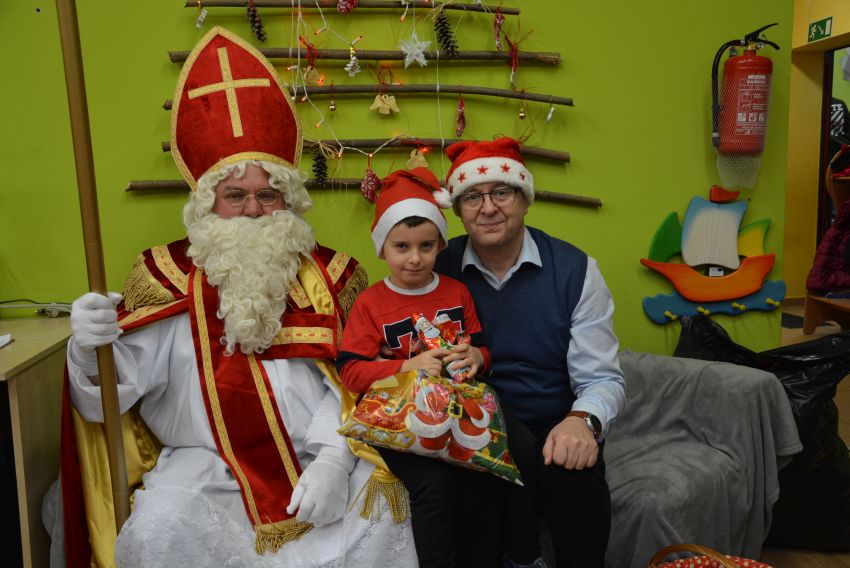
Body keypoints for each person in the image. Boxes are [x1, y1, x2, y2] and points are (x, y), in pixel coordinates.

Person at [61, 27, 415, 568]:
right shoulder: (163, 276)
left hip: (323, 458)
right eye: (235, 195)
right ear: (207, 203)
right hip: (205, 469)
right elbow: (109, 399)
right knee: (158, 531)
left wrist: (334, 459)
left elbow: (362, 381)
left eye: (267, 194)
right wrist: (89, 349)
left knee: (388, 510)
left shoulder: (333, 277)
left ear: (288, 201)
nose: (252, 210)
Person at [434, 137, 627, 568]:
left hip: (554, 425)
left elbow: (603, 378)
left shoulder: (576, 270)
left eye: (501, 192)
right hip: (471, 430)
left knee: (576, 480)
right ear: (457, 209)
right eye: (472, 197)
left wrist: (582, 421)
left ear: (525, 199)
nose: (488, 208)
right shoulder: (437, 268)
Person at [336, 167, 508, 567]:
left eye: (426, 246)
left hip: (457, 411)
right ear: (382, 248)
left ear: (440, 246)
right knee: (435, 486)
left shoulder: (457, 291)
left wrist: (477, 358)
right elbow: (350, 372)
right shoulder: (370, 304)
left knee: (485, 480)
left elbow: (482, 349)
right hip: (398, 419)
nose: (415, 258)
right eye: (402, 247)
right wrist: (408, 365)